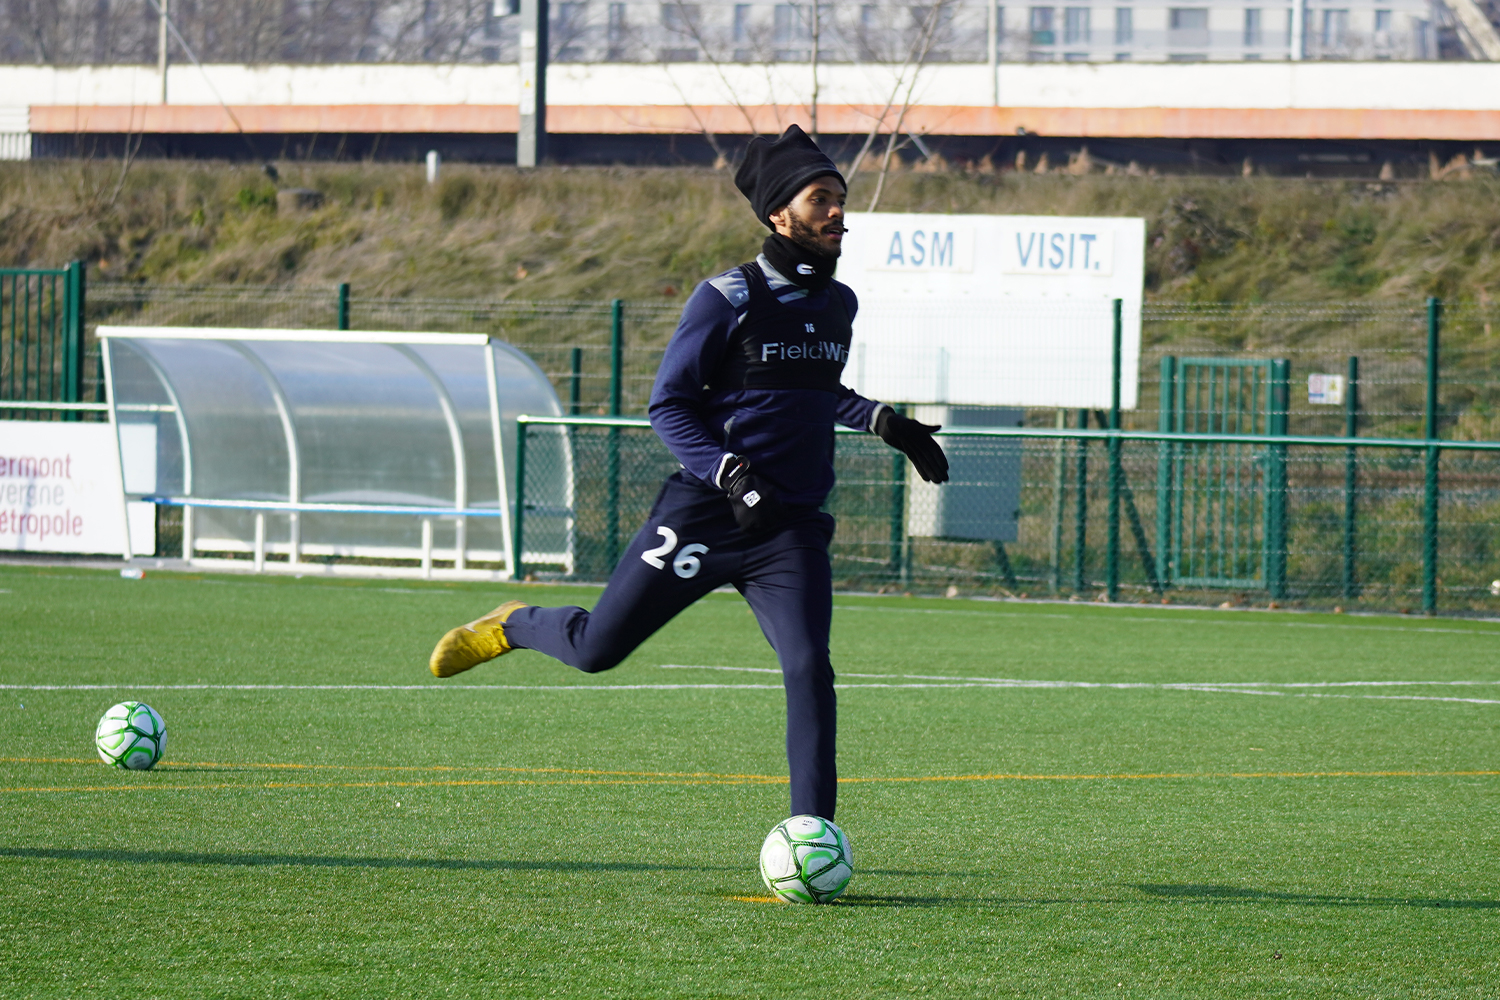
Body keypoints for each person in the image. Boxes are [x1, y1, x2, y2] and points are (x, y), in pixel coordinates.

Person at [428, 125, 949, 822]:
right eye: (820, 199)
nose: (836, 213)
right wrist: (730, 473)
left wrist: (885, 421)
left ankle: (813, 834)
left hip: (786, 528)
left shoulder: (838, 304)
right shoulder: (725, 296)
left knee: (808, 669)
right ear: (777, 213)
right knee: (596, 651)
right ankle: (514, 622)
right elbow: (667, 406)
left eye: (840, 200)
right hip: (704, 513)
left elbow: (814, 389)